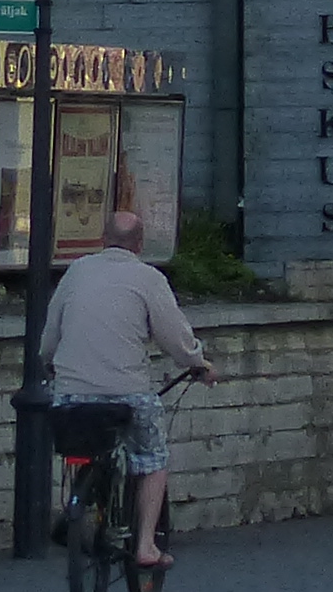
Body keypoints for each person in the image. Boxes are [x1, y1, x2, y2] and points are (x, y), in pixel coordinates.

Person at [41, 206, 217, 571]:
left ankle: (80, 504)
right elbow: (175, 337)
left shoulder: (76, 271)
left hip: (72, 393)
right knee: (153, 459)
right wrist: (198, 363)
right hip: (127, 394)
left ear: (103, 239)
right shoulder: (148, 279)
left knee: (83, 445)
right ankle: (146, 546)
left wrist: (49, 362)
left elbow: (51, 333)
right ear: (139, 244)